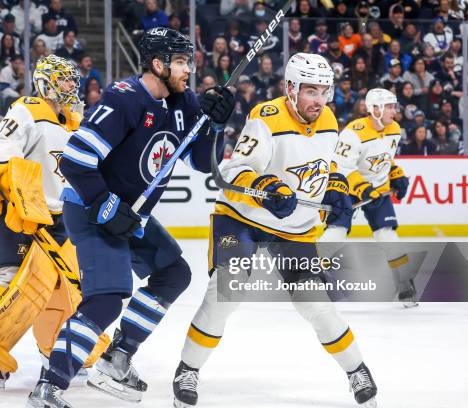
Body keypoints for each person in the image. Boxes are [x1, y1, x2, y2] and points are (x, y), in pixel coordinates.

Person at [26, 28, 233, 408]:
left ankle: (116, 359)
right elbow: (75, 161)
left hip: (129, 214)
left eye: (190, 60)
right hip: (89, 209)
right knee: (106, 299)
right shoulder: (124, 99)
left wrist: (214, 124)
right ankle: (49, 386)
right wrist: (105, 205)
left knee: (174, 274)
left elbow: (202, 162)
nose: (190, 69)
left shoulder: (185, 102)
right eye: (183, 62)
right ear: (159, 64)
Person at [172, 53, 378, 408]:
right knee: (227, 292)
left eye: (324, 91)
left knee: (316, 304)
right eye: (311, 91)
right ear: (291, 89)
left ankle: (357, 371)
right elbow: (233, 174)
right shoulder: (266, 118)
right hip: (242, 219)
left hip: (294, 229)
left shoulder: (328, 118)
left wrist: (338, 186)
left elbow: (327, 165)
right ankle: (187, 370)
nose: (319, 100)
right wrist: (268, 188)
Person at [0, 55, 108, 389]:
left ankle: (57, 351)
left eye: (73, 80)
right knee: (14, 282)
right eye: (66, 80)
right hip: (10, 210)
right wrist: (20, 199)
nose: (73, 86)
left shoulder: (75, 121)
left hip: (56, 217)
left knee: (62, 287)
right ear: (48, 82)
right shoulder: (27, 108)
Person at [320, 88, 416, 307]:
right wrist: (362, 187)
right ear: (375, 109)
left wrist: (395, 174)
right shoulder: (353, 133)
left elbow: (385, 159)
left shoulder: (394, 129)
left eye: (394, 105)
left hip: (378, 188)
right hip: (347, 189)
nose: (395, 110)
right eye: (390, 106)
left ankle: (404, 282)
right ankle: (312, 274)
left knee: (386, 234)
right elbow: (342, 167)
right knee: (338, 230)